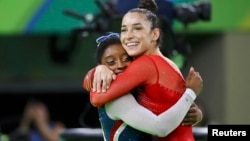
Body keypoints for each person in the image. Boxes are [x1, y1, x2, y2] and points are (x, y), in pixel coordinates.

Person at [86, 0, 203, 141]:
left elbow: (97, 97)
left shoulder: (145, 65)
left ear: (154, 34)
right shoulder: (166, 63)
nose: (120, 65)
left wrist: (190, 95)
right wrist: (98, 70)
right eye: (124, 29)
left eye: (137, 28)